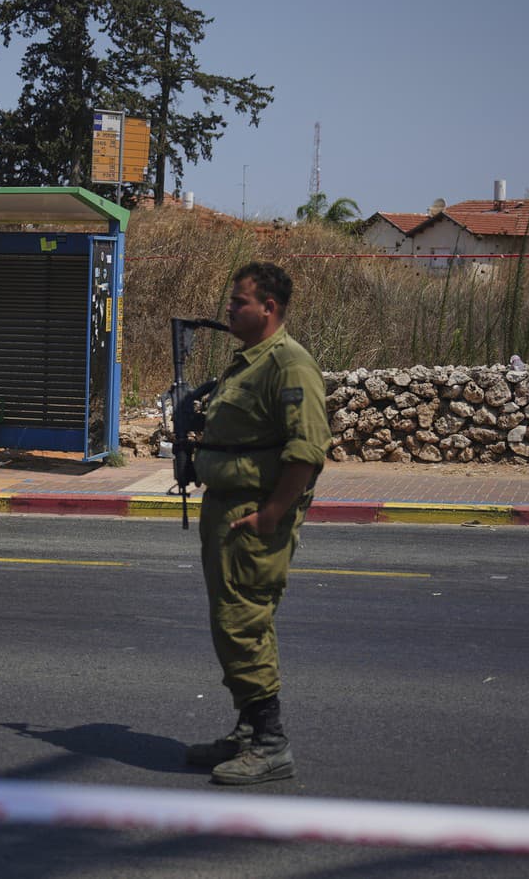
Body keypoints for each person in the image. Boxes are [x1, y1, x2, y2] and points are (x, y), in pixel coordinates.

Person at [184, 261, 330, 786]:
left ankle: (271, 743)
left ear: (268, 308)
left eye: (238, 302)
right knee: (232, 619)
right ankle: (248, 731)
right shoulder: (247, 362)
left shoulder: (288, 365)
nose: (229, 308)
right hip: (227, 510)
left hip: (253, 515)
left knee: (241, 622)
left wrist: (270, 515)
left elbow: (307, 449)